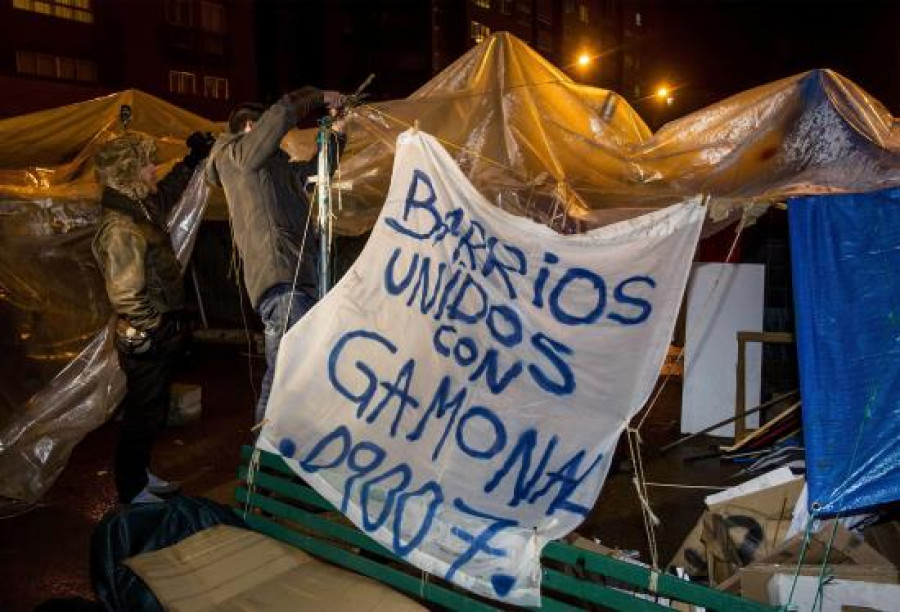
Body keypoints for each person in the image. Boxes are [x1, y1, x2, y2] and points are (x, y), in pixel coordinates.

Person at [205, 88, 345, 425]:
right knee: (286, 374)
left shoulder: (271, 171)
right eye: (269, 131)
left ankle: (278, 453)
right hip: (281, 279)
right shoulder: (236, 157)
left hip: (298, 278)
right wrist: (318, 95)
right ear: (253, 128)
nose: (281, 141)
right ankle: (264, 458)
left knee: (293, 372)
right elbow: (282, 113)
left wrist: (339, 134)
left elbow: (316, 173)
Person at [93, 130, 214, 504]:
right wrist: (159, 327)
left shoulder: (140, 208)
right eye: (146, 163)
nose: (153, 168)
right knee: (143, 414)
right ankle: (132, 488)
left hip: (156, 329)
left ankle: (141, 473)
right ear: (128, 171)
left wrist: (191, 160)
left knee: (153, 409)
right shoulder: (122, 226)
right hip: (146, 334)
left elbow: (168, 191)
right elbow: (126, 295)